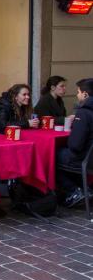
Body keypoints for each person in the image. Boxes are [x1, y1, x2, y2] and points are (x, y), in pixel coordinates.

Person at [56, 78, 93, 207]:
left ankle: (73, 191)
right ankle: (85, 189)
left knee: (49, 157)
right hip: (89, 156)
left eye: (78, 92)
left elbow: (75, 145)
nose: (77, 95)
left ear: (85, 94)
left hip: (85, 158)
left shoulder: (83, 113)